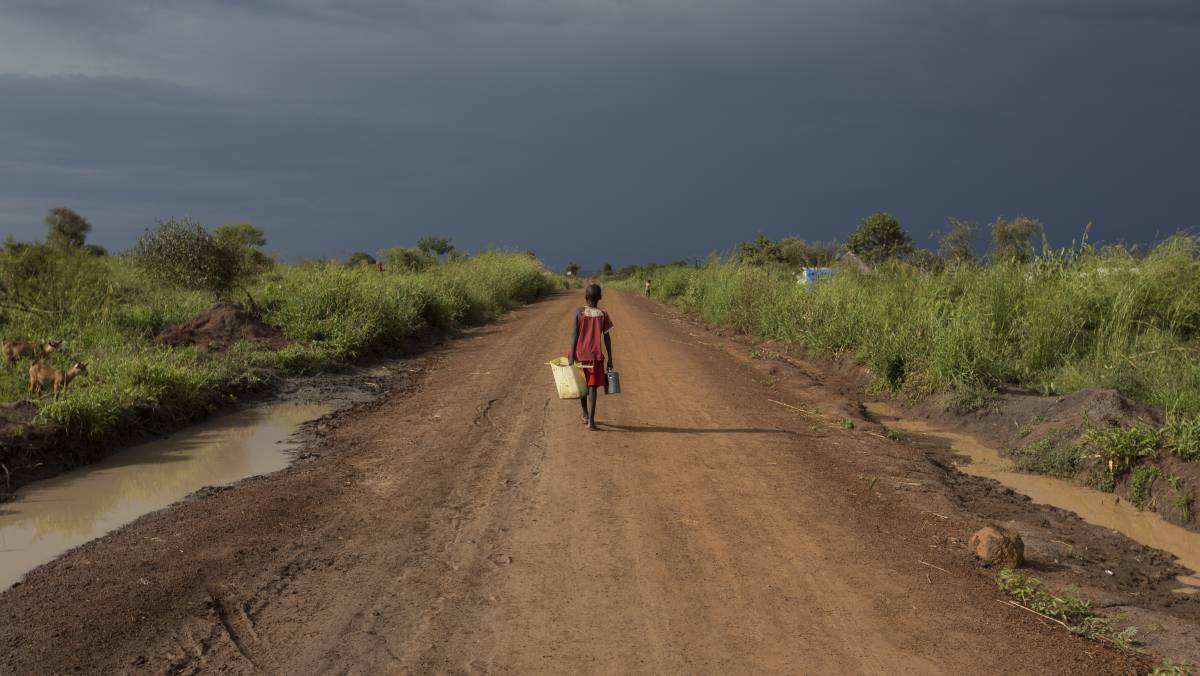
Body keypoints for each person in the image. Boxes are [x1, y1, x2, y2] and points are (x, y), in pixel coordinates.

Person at [569, 284, 614, 430]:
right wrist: (610, 359)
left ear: (585, 297)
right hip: (595, 357)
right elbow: (607, 338)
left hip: (580, 355)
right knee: (592, 388)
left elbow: (574, 335)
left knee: (582, 386)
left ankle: (585, 413)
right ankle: (591, 422)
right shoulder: (603, 315)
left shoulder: (579, 312)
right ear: (600, 297)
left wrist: (571, 354)